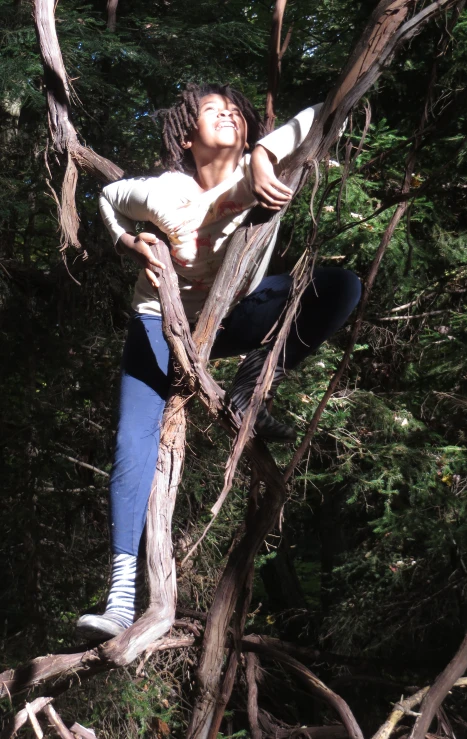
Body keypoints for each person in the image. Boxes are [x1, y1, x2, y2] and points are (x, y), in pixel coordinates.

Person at [76, 83, 361, 641]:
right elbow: (109, 200)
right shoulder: (162, 191)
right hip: (161, 320)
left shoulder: (267, 157)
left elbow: (334, 106)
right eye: (213, 111)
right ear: (189, 136)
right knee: (134, 442)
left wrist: (261, 157)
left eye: (236, 112)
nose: (228, 114)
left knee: (341, 286)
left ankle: (252, 385)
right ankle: (121, 597)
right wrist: (125, 243)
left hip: (237, 316)